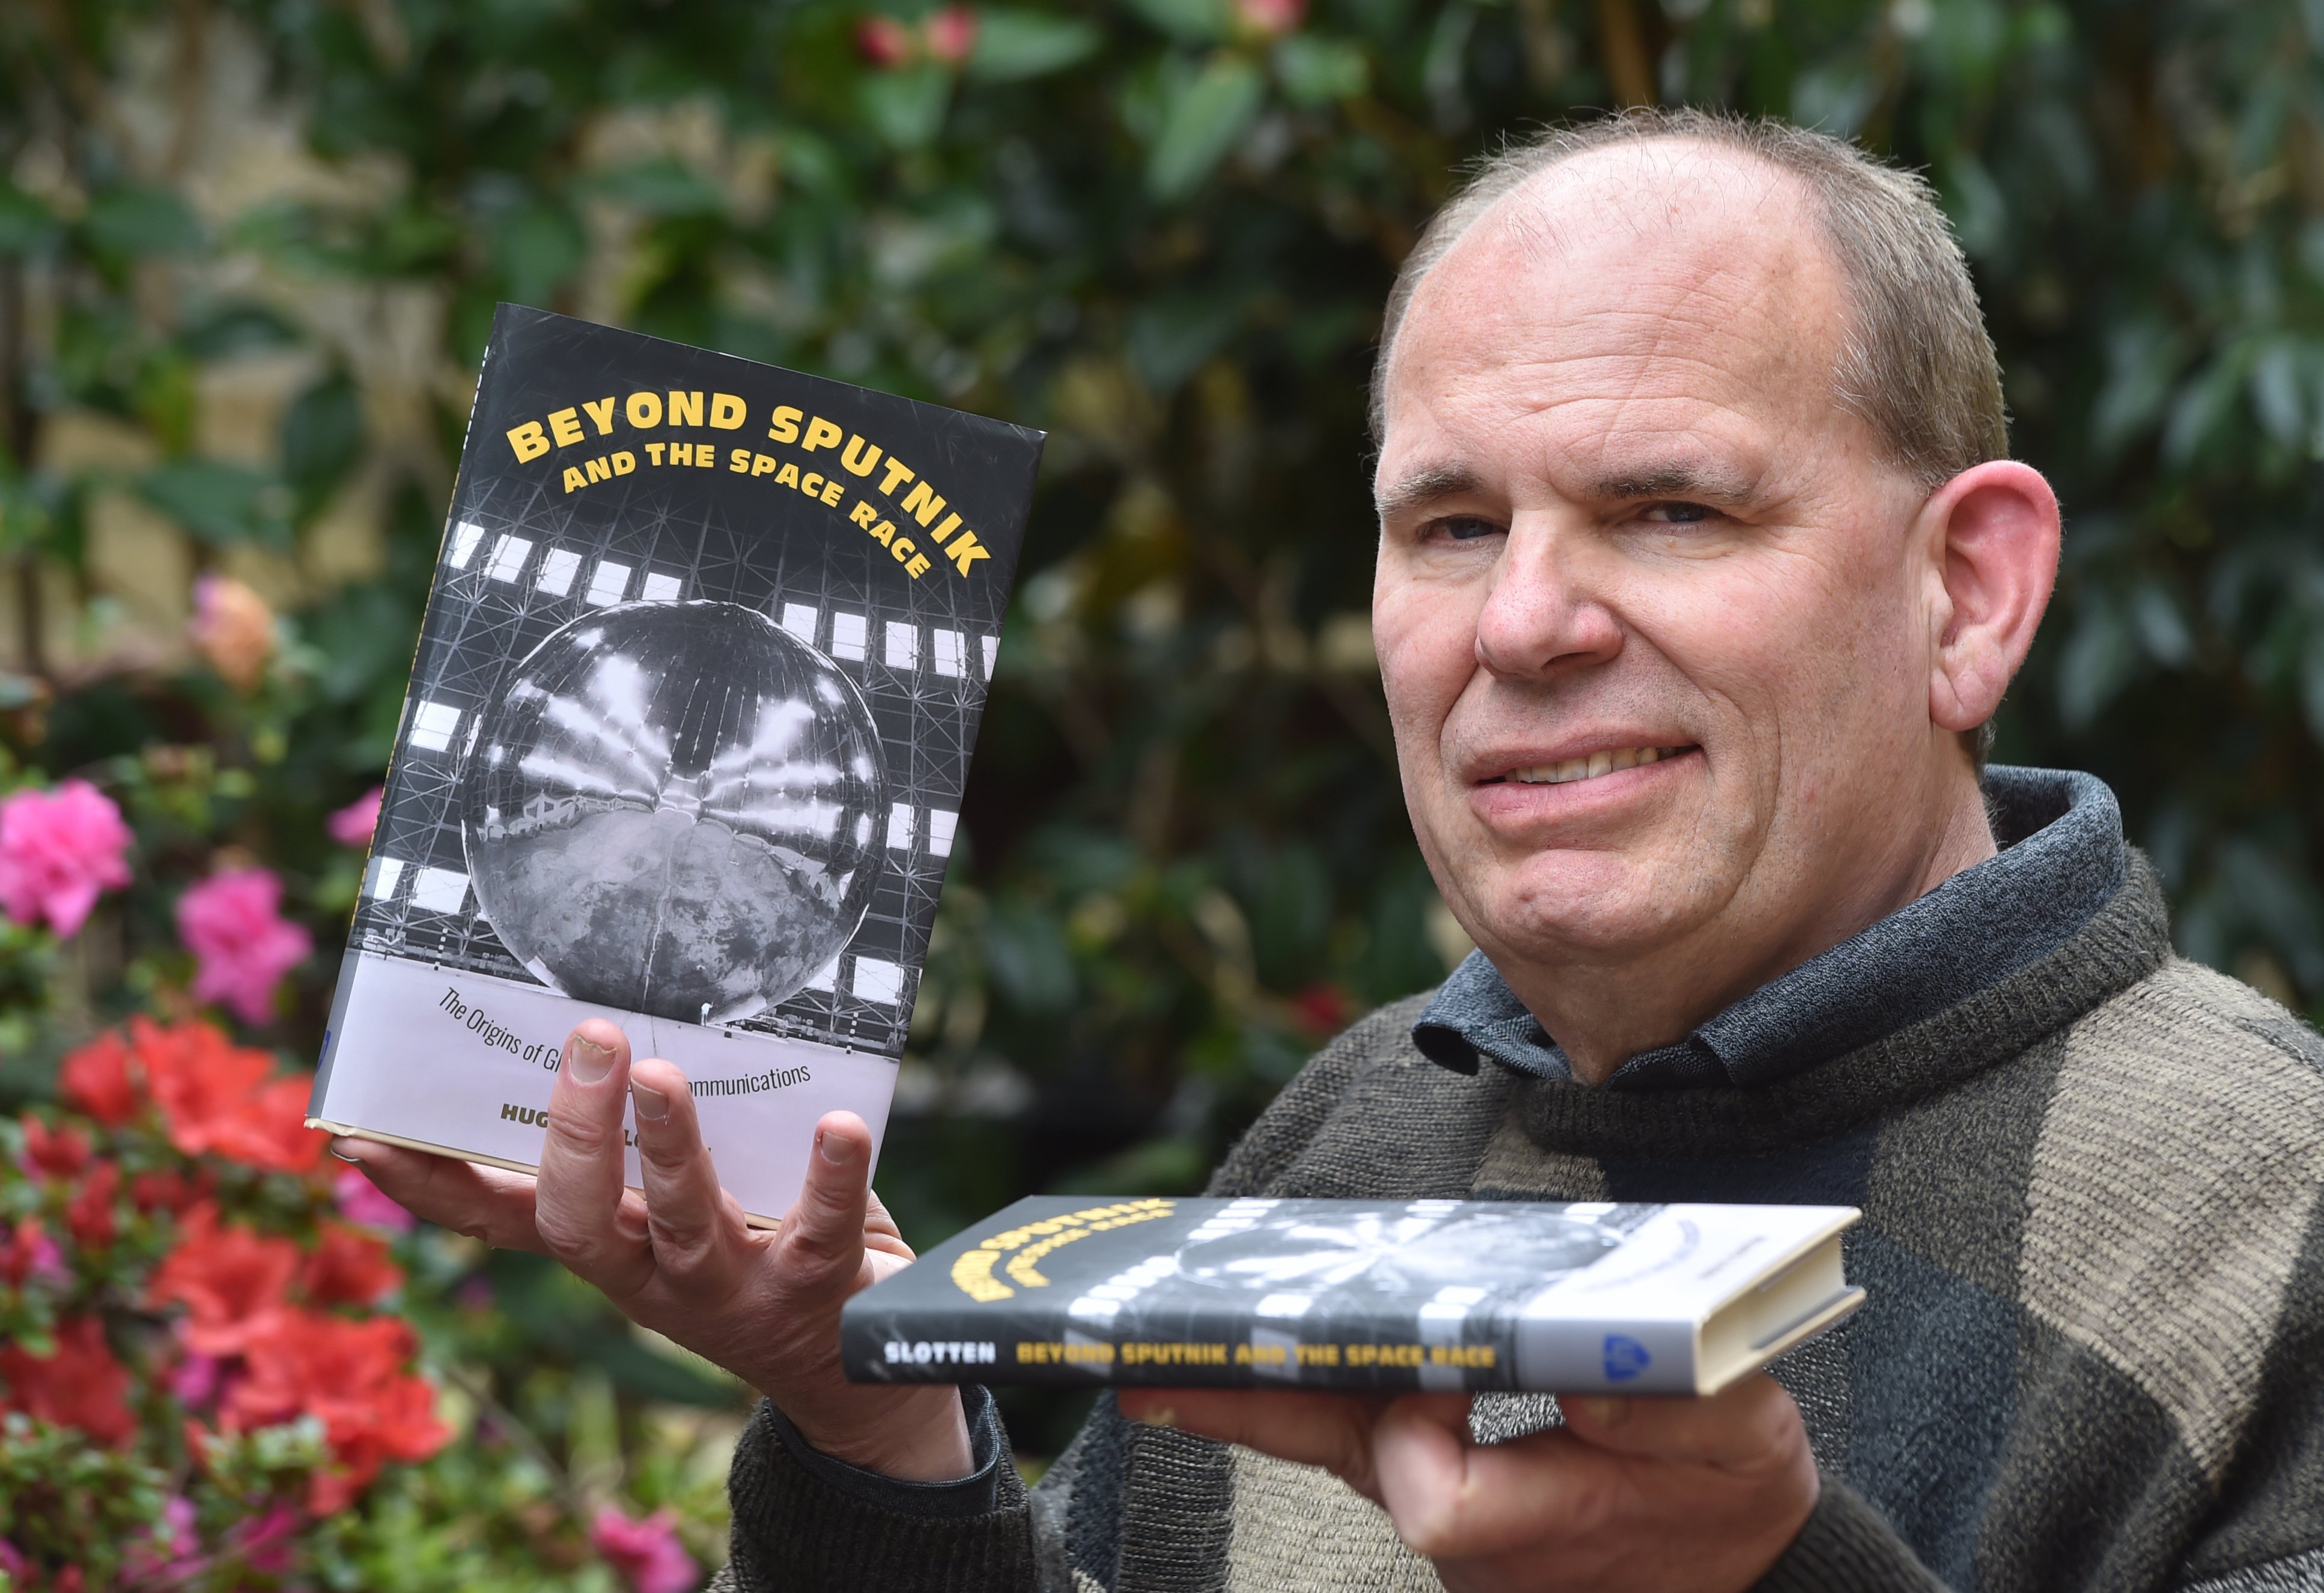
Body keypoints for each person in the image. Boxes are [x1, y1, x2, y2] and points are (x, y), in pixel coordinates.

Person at [341, 109, 2324, 1592]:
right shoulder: (1354, 1130)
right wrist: (874, 1424)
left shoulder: (2274, 1221)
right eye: (1450, 524)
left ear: (1965, 594)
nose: (1524, 623)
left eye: (1665, 510)